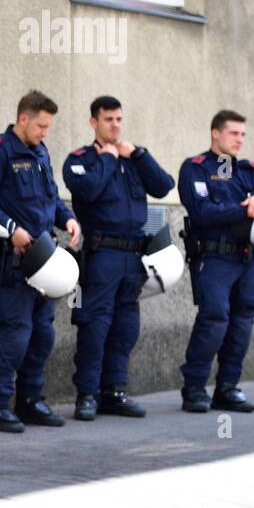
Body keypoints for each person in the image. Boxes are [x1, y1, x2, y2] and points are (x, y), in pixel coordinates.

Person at [0, 90, 82, 432]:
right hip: (14, 263)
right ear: (24, 118)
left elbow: (50, 200)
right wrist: (11, 229)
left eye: (49, 127)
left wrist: (68, 218)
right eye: (41, 126)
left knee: (41, 335)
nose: (45, 133)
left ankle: (31, 401)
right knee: (13, 334)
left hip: (46, 263)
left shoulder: (40, 151)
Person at [62, 96, 175, 420]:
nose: (115, 125)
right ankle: (87, 395)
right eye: (108, 119)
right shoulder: (80, 159)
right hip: (102, 254)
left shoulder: (133, 159)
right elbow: (88, 191)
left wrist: (139, 154)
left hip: (134, 255)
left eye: (119, 119)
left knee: (126, 327)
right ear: (93, 122)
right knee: (94, 325)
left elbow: (164, 185)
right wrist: (109, 159)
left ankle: (115, 392)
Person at [176, 110, 254, 414]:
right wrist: (246, 209)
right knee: (214, 318)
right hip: (214, 258)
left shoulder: (248, 170)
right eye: (234, 134)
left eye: (243, 134)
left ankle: (227, 387)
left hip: (245, 259)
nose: (240, 140)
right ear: (215, 133)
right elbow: (203, 212)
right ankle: (194, 389)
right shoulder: (196, 168)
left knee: (242, 322)